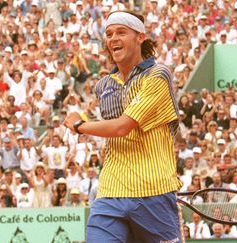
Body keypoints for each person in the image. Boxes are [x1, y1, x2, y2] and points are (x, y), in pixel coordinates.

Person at [63, 10, 182, 242]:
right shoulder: (104, 85)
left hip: (154, 191)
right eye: (109, 34)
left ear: (140, 37)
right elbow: (109, 127)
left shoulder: (158, 75)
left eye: (121, 32)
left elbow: (121, 127)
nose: (113, 38)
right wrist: (82, 118)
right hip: (110, 192)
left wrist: (79, 124)